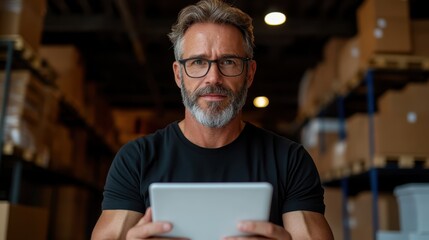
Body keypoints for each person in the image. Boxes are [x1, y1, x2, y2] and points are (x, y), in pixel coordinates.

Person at [92, 0, 334, 239]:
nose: (213, 78)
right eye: (198, 62)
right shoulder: (137, 159)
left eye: (228, 61)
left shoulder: (289, 161)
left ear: (249, 73)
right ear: (179, 74)